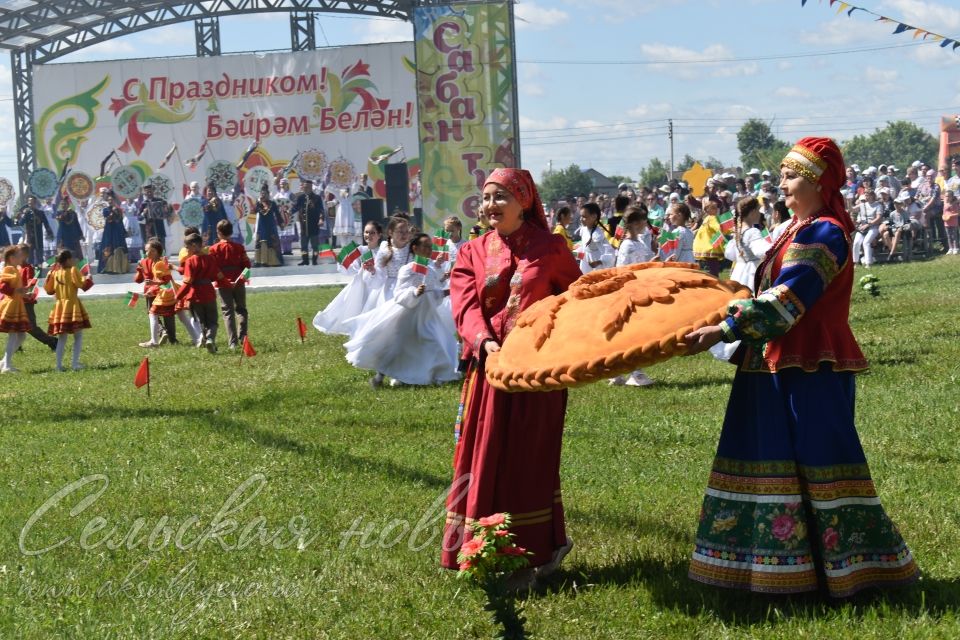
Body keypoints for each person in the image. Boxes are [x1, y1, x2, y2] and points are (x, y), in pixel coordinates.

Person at [684, 137, 919, 597]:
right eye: (783, 175)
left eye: (791, 176)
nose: (781, 184)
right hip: (768, 364)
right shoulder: (793, 229)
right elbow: (756, 287)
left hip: (808, 366)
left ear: (818, 182)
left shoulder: (824, 232)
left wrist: (723, 330)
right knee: (763, 458)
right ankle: (764, 569)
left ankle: (849, 572)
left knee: (817, 459)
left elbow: (786, 302)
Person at [442, 168, 582, 591]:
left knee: (529, 460)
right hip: (489, 373)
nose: (490, 206)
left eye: (500, 197)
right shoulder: (472, 251)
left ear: (524, 201)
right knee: (483, 457)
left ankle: (531, 557)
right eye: (485, 198)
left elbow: (578, 301)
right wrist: (484, 343)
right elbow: (465, 306)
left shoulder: (552, 248)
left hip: (538, 375)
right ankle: (483, 548)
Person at [344, 233, 459, 387]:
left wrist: (447, 292)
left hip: (425, 317)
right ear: (415, 248)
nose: (427, 249)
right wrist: (414, 293)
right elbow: (399, 294)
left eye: (429, 247)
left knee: (434, 342)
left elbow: (434, 294)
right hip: (406, 315)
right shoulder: (407, 269)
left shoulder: (430, 271)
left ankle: (436, 374)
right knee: (395, 347)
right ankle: (380, 377)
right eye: (424, 246)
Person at [609, 204, 655, 387]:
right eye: (643, 219)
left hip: (642, 289)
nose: (646, 223)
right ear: (636, 223)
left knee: (634, 333)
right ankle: (635, 372)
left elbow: (643, 264)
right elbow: (623, 272)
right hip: (631, 292)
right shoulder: (627, 245)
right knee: (633, 334)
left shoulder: (639, 242)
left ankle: (620, 371)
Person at [313, 221, 383, 337]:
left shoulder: (383, 251)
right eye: (366, 232)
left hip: (378, 285)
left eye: (372, 233)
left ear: (379, 235)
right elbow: (351, 268)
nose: (368, 235)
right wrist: (345, 262)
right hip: (363, 284)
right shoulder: (360, 250)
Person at [43, 249, 91, 371]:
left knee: (62, 338)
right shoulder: (73, 270)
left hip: (60, 307)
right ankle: (75, 364)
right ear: (69, 260)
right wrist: (88, 278)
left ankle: (58, 366)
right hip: (72, 305)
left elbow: (49, 290)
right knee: (78, 336)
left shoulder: (55, 273)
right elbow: (82, 285)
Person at [175, 233, 223, 353]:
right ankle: (210, 339)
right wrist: (229, 284)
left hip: (195, 295)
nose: (186, 250)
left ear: (194, 245)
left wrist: (178, 296)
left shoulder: (190, 261)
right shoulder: (210, 258)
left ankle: (208, 342)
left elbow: (187, 282)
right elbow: (218, 276)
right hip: (208, 293)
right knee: (213, 321)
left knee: (202, 321)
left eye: (187, 247)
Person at [209, 219, 251, 350]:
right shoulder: (239, 248)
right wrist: (238, 280)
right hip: (239, 283)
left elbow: (214, 269)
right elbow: (247, 267)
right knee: (241, 309)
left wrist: (226, 281)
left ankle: (232, 342)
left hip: (223, 284)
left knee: (228, 312)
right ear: (231, 232)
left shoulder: (213, 249)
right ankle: (243, 336)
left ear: (218, 233)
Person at [17, 244, 58, 351]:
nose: (16, 255)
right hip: (17, 301)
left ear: (25, 255)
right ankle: (16, 346)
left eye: (18, 253)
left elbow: (31, 283)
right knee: (16, 324)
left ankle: (51, 341)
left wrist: (24, 289)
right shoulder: (15, 267)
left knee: (31, 327)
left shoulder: (28, 268)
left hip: (26, 301)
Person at [0, 245, 33, 373]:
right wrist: (17, 291)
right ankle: (7, 365)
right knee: (13, 335)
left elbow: (16, 289)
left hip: (17, 304)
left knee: (21, 336)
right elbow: (2, 287)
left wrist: (25, 294)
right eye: (19, 256)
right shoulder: (8, 269)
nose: (22, 258)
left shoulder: (15, 269)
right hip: (11, 306)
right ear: (12, 258)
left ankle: (4, 362)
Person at [291, 179, 325, 265]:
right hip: (303, 226)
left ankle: (314, 260)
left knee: (315, 246)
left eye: (307, 187)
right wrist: (288, 212)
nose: (305, 189)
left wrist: (321, 219)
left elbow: (321, 210)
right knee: (303, 246)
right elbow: (295, 208)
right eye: (304, 187)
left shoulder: (317, 198)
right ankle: (305, 260)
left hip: (314, 226)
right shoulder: (301, 198)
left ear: (311, 187)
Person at [96, 190, 129, 274]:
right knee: (108, 246)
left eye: (112, 200)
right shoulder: (105, 210)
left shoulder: (119, 210)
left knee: (118, 246)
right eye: (109, 200)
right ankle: (107, 267)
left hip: (117, 231)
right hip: (109, 231)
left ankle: (120, 268)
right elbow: (108, 219)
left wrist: (124, 231)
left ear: (114, 200)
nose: (110, 201)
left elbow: (120, 221)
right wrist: (113, 212)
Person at [576, 202, 614, 273]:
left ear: (594, 217)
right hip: (585, 264)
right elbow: (584, 249)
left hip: (596, 268)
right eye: (581, 216)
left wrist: (599, 262)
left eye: (584, 217)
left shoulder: (597, 234)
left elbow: (609, 252)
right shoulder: (584, 230)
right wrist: (573, 254)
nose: (581, 219)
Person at [16, 196, 54, 265]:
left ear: (35, 203)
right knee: (30, 257)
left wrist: (50, 233)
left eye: (32, 203)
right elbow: (20, 223)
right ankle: (30, 272)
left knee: (40, 257)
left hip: (39, 238)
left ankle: (40, 271)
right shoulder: (26, 213)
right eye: (29, 203)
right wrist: (18, 218)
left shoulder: (40, 213)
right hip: (30, 239)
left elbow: (46, 224)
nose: (30, 204)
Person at [253, 185, 284, 267]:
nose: (263, 195)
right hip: (261, 226)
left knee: (272, 241)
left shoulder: (272, 203)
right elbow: (254, 211)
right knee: (261, 241)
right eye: (262, 194)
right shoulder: (259, 203)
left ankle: (274, 261)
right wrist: (258, 202)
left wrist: (281, 223)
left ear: (268, 194)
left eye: (265, 194)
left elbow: (277, 214)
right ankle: (261, 261)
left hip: (271, 226)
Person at [693, 198, 724, 276]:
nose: (716, 210)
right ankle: (715, 280)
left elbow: (715, 227)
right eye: (713, 208)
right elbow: (716, 227)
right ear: (707, 209)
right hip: (709, 247)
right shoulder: (710, 218)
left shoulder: (709, 218)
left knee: (712, 267)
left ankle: (714, 280)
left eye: (716, 208)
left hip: (707, 246)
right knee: (713, 268)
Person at [852, 188, 882, 267]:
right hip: (862, 227)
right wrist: (848, 201)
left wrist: (868, 225)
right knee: (856, 243)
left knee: (866, 242)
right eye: (865, 194)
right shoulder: (862, 205)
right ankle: (855, 262)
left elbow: (878, 218)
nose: (866, 196)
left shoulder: (878, 205)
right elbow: (852, 209)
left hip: (873, 227)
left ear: (872, 196)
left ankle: (868, 263)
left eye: (867, 195)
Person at [139, 183, 171, 255]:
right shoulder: (143, 203)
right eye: (147, 192)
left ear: (153, 191)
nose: (149, 193)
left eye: (150, 191)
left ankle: (162, 260)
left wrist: (165, 209)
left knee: (161, 244)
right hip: (150, 229)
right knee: (151, 246)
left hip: (159, 227)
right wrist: (143, 213)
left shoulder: (160, 201)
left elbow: (168, 211)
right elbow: (138, 217)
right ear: (145, 193)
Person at [200, 183, 228, 247]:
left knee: (217, 242)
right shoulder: (203, 201)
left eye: (211, 191)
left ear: (214, 192)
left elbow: (223, 212)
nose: (210, 192)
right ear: (206, 192)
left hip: (217, 224)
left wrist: (226, 222)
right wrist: (209, 204)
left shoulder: (219, 201)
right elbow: (203, 210)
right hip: (207, 225)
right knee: (208, 243)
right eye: (208, 191)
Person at [943, 188, 959, 255]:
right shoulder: (945, 203)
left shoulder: (955, 204)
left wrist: (951, 216)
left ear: (952, 197)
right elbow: (944, 212)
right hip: (946, 223)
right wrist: (943, 216)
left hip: (953, 222)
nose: (947, 197)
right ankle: (950, 248)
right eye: (946, 196)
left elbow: (958, 213)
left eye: (948, 196)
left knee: (954, 235)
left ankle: (956, 248)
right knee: (948, 236)